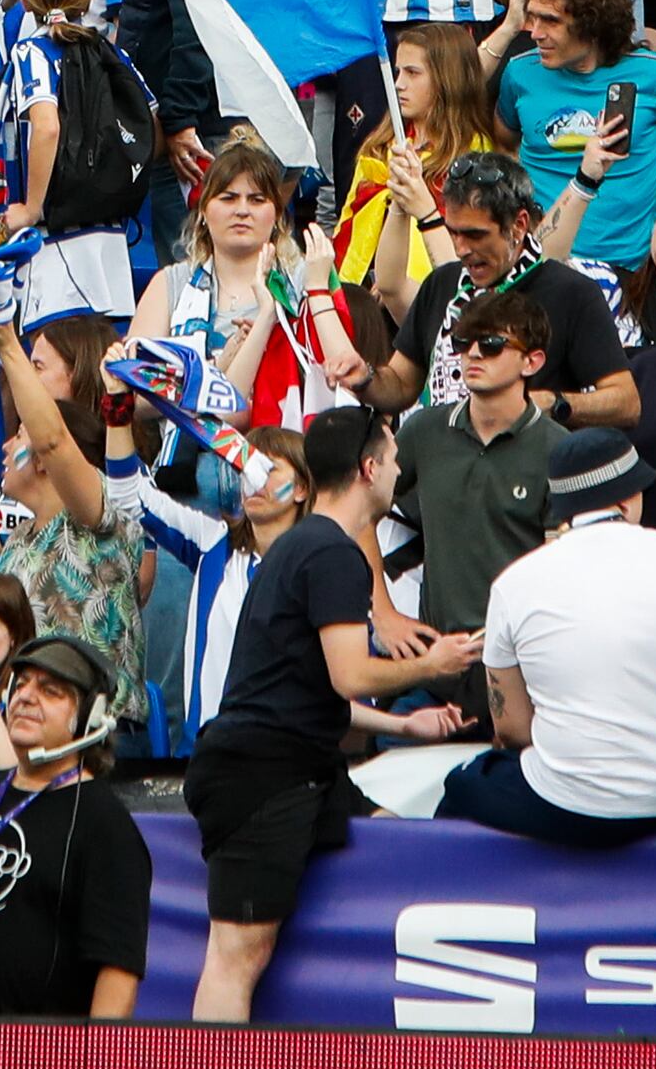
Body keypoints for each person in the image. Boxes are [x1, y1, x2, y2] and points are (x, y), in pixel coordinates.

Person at [185, 404, 479, 1020]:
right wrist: (433, 665)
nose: (401, 472)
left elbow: (308, 690)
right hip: (263, 774)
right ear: (369, 468)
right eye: (396, 461)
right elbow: (351, 675)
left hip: (307, 768)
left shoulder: (303, 548)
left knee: (389, 841)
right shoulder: (331, 555)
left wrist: (403, 724)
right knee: (237, 954)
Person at [440, 425, 656, 839]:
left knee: (463, 785)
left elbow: (512, 729)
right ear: (627, 501)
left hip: (569, 806)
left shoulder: (515, 581)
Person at [0, 629, 148, 1014]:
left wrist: (97, 1068)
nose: (26, 697)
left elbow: (117, 970)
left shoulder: (105, 825)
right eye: (20, 685)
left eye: (51, 691)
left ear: (91, 718)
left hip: (31, 1064)